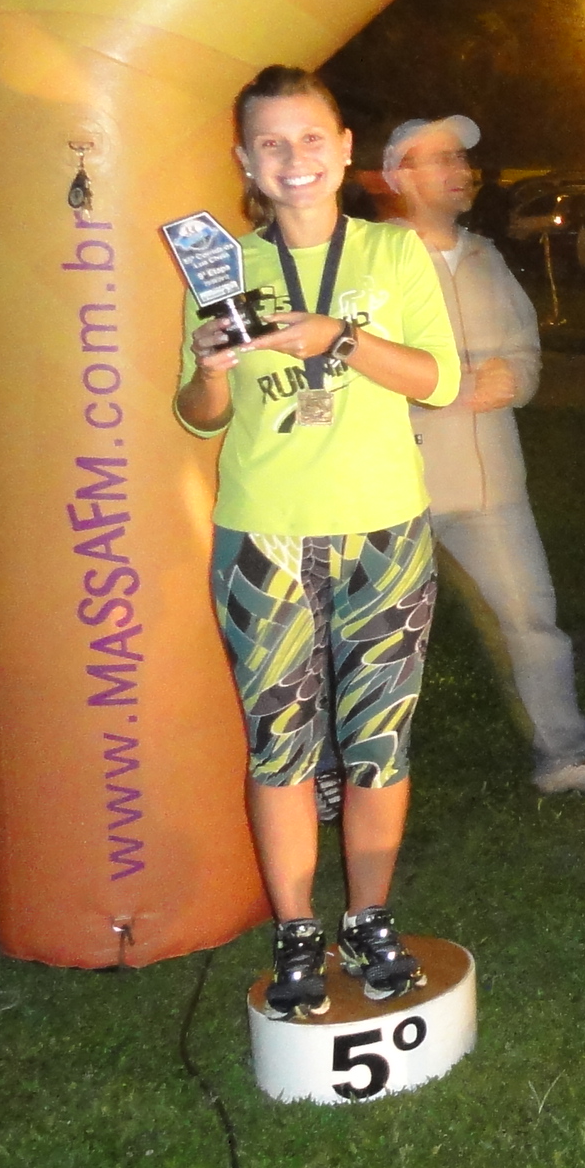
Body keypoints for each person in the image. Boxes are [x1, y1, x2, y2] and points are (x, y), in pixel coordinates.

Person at [174, 66, 463, 1019]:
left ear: (343, 149)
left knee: (378, 740)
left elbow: (439, 381)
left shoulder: (393, 250)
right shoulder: (223, 269)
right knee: (281, 748)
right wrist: (212, 370)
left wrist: (337, 337)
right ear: (244, 160)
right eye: (270, 143)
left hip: (384, 528)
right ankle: (296, 929)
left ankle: (370, 918)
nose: (292, 158)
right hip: (262, 537)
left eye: (309, 138)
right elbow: (199, 413)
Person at [385, 114, 585, 799]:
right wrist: (444, 386)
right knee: (379, 640)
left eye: (463, 158)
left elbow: (525, 352)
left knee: (532, 621)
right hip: (393, 484)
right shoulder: (371, 261)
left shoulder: (486, 257)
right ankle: (357, 771)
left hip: (492, 487)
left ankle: (565, 756)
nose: (461, 171)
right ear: (400, 174)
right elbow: (348, 369)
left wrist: (514, 379)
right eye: (441, 158)